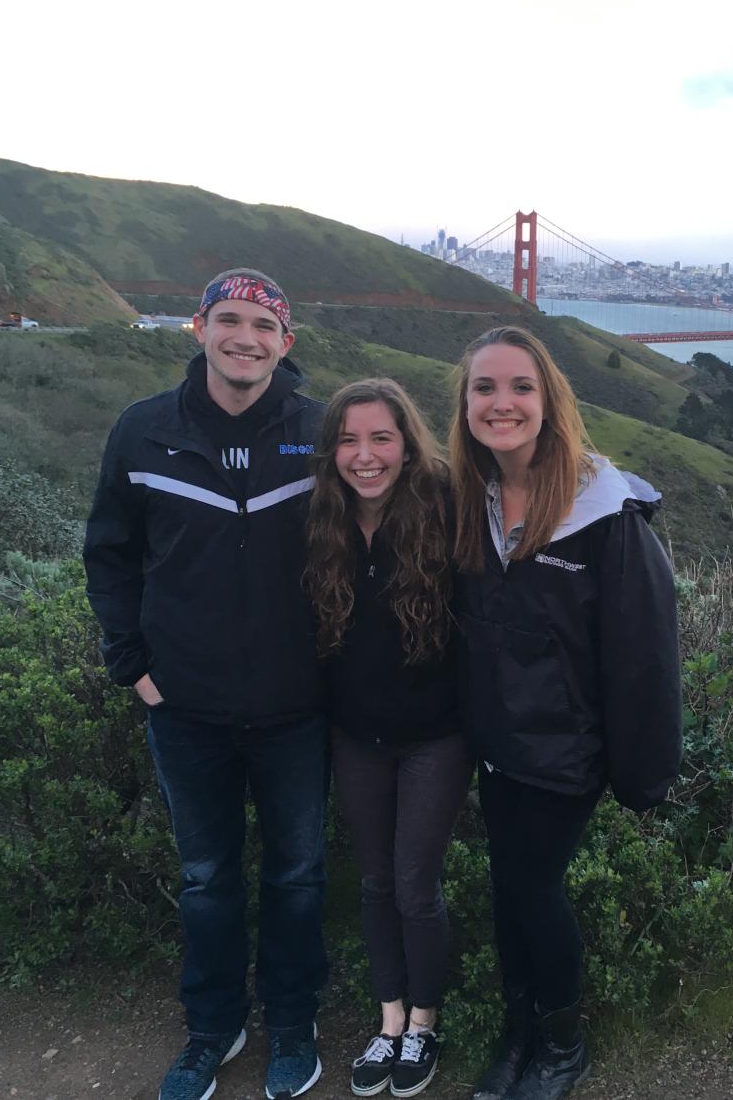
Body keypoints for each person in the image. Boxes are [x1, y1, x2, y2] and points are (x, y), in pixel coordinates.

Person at [84, 268, 329, 1100]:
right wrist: (133, 665)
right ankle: (213, 1028)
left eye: (263, 326)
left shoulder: (319, 431)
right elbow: (110, 554)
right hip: (184, 708)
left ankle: (292, 1022)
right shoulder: (143, 430)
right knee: (207, 878)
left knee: (298, 874)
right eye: (228, 319)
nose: (244, 338)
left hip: (298, 708)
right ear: (199, 328)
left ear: (285, 343)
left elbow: (371, 543)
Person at [448, 326, 682, 1100]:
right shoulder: (472, 500)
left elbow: (645, 655)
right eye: (484, 387)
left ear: (549, 400)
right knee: (507, 884)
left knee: (532, 885)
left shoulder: (604, 512)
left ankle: (562, 1043)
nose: (502, 402)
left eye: (521, 386)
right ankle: (520, 1031)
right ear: (465, 404)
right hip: (497, 742)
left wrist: (643, 773)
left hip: (566, 749)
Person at [304, 378, 470, 1098]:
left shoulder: (447, 506)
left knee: (413, 884)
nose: (364, 455)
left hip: (437, 736)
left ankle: (424, 1023)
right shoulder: (322, 519)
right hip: (356, 737)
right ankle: (390, 1017)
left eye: (381, 438)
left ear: (407, 445)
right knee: (374, 882)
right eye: (348, 440)